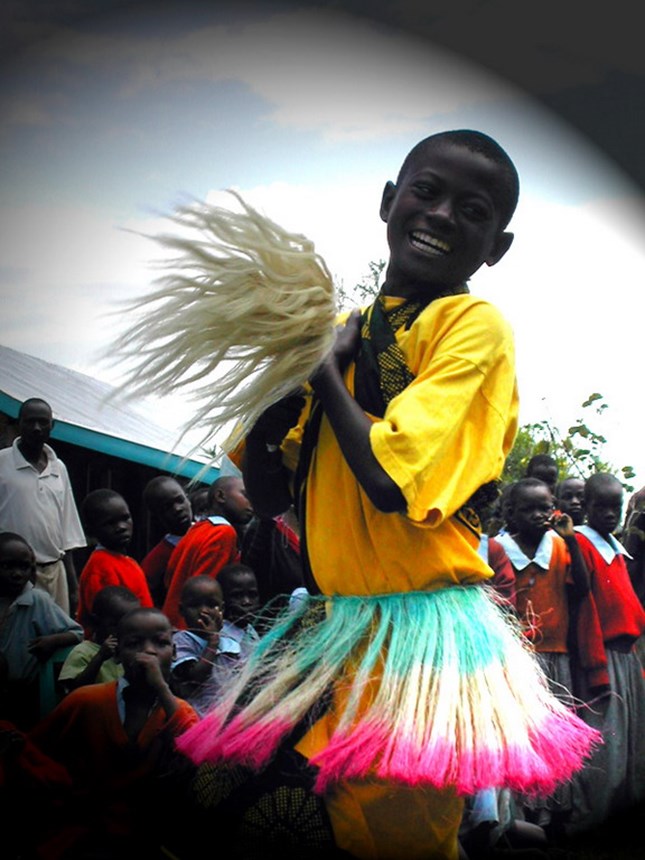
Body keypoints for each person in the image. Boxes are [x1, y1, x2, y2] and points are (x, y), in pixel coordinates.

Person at [175, 130, 600, 860]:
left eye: (470, 210)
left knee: (380, 828)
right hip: (332, 623)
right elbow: (272, 493)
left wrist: (328, 375)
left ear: (494, 247)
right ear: (387, 203)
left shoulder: (472, 325)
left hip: (416, 637)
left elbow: (388, 483)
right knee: (270, 811)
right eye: (425, 193)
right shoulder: (347, 332)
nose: (438, 216)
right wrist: (294, 381)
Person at [28, 607, 199, 859]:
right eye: (134, 643)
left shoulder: (179, 712)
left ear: (174, 652)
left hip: (151, 840)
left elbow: (199, 751)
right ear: (116, 653)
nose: (148, 651)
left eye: (161, 643)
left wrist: (162, 689)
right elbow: (34, 751)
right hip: (84, 837)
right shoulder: (87, 701)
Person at [566, 472, 645, 837]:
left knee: (629, 734)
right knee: (605, 736)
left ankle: (621, 811)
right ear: (586, 506)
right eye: (602, 506)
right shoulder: (581, 543)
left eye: (616, 506)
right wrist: (595, 666)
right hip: (603, 655)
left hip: (626, 655)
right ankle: (592, 818)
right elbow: (587, 610)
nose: (611, 514)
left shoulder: (613, 544)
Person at [0, 397, 86, 615]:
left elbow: (68, 531)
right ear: (19, 424)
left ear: (52, 426)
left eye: (42, 422)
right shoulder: (2, 463)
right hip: (13, 574)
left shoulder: (59, 468)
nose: (36, 428)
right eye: (30, 422)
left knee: (57, 637)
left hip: (54, 571)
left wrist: (73, 584)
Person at [0, 532, 83, 729]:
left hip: (25, 690)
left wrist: (52, 641)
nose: (17, 573)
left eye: (24, 567)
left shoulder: (37, 600)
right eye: (8, 566)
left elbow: (77, 634)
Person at [162, 475, 254, 629]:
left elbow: (169, 576)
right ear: (220, 496)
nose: (252, 504)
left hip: (173, 622)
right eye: (246, 495)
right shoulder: (224, 533)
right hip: (194, 627)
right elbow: (205, 589)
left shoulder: (196, 529)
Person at [171, 567, 260, 717]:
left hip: (229, 718)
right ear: (181, 610)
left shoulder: (229, 640)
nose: (203, 611)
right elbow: (195, 676)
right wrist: (212, 641)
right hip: (199, 720)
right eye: (195, 605)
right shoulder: (182, 641)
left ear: (222, 609)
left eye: (211, 605)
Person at [76, 489, 153, 636]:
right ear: (91, 531)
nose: (121, 527)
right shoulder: (100, 568)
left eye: (125, 518)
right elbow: (107, 622)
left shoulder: (127, 561)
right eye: (110, 523)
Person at [58, 584, 140, 694]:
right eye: (115, 625)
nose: (124, 631)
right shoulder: (83, 652)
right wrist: (100, 657)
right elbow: (76, 690)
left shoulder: (133, 651)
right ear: (95, 622)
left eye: (130, 625)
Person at [140, 475, 193, 607]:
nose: (177, 509)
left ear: (188, 498)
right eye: (167, 507)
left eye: (180, 500)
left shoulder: (210, 533)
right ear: (156, 515)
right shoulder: (156, 561)